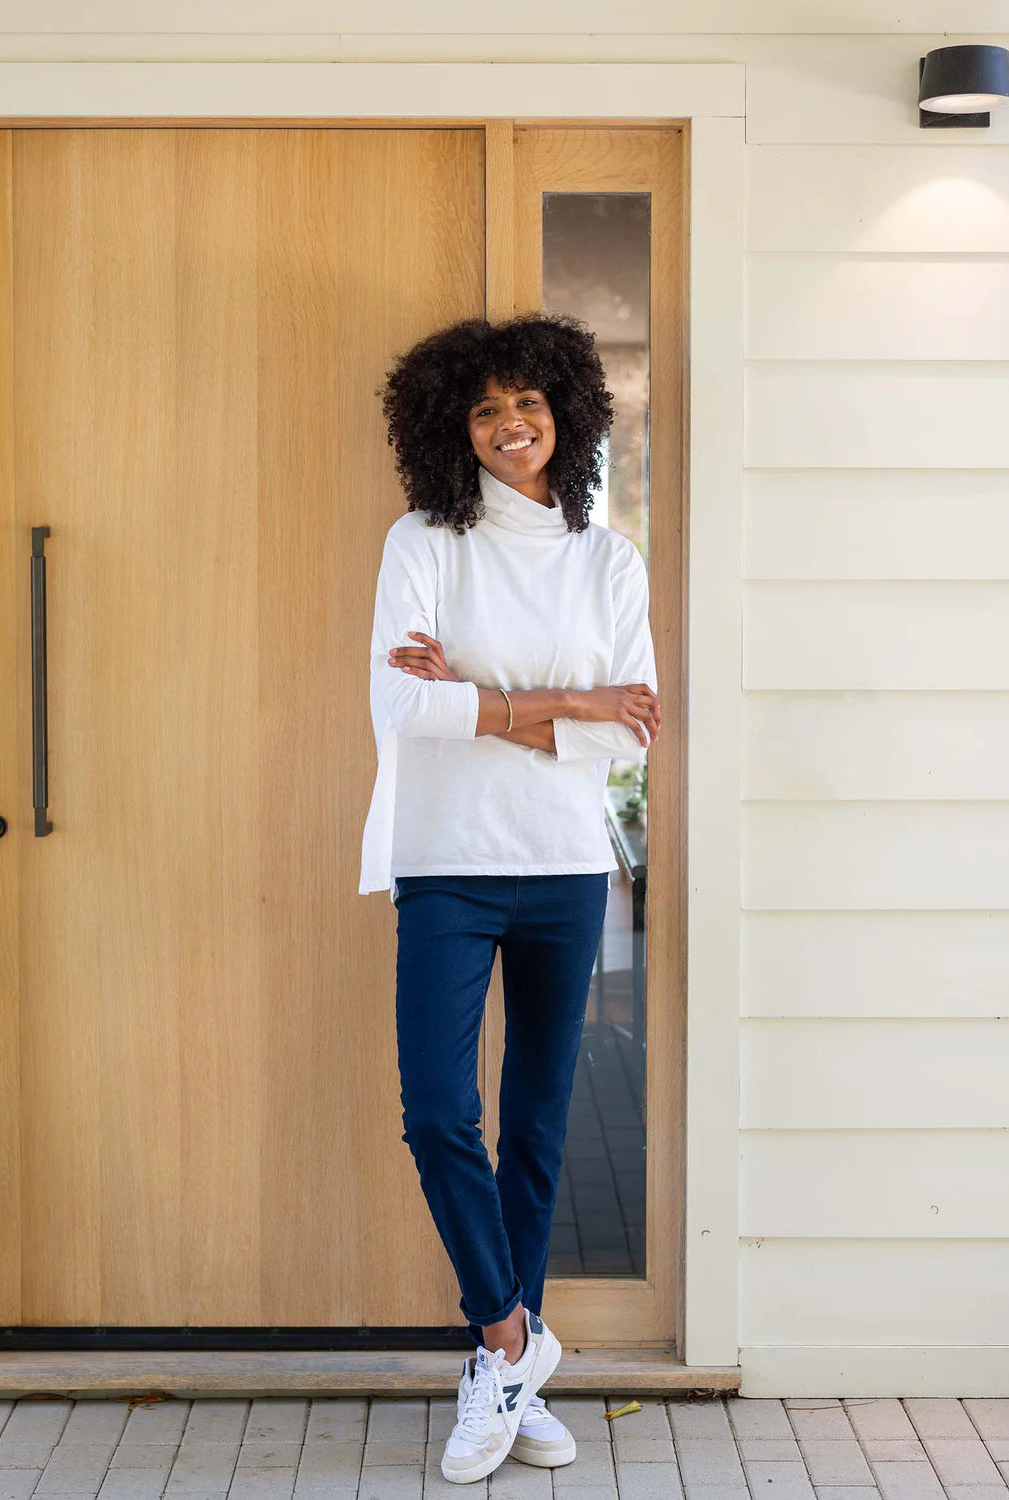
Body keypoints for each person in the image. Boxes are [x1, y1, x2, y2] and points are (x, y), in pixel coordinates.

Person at [358, 312, 661, 1486]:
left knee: (537, 1126)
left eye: (527, 404)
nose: (509, 425)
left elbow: (628, 735)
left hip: (563, 868)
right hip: (444, 857)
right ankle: (510, 1340)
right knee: (439, 1110)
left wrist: (492, 702)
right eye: (485, 409)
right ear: (454, 425)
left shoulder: (609, 559)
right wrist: (563, 707)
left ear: (567, 414)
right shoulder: (423, 541)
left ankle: (500, 1372)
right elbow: (403, 712)